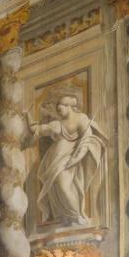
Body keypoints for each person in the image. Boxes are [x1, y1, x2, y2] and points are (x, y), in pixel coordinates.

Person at [30, 95, 107, 227]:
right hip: (54, 158)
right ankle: (63, 217)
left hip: (69, 157)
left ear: (69, 107)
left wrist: (77, 157)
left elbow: (86, 140)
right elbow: (37, 130)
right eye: (58, 111)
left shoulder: (81, 119)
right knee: (56, 187)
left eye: (61, 109)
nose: (59, 112)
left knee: (64, 186)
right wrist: (27, 116)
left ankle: (76, 216)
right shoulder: (56, 124)